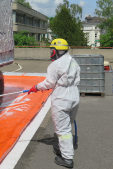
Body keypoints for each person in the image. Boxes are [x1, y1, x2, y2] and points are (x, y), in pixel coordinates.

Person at [28, 38, 80, 168]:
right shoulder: (73, 61)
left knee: (63, 129)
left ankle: (67, 159)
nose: (51, 52)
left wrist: (36, 87)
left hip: (62, 97)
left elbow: (49, 83)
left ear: (56, 51)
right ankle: (60, 148)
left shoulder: (55, 64)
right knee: (67, 123)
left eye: (52, 50)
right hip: (74, 95)